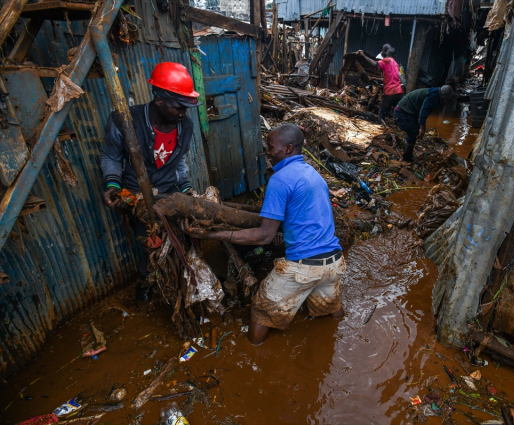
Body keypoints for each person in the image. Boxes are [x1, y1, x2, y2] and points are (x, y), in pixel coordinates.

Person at [180, 124, 346, 346]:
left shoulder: (280, 179)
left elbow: (264, 236)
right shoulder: (313, 174)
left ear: (287, 148)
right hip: (334, 263)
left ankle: (254, 357)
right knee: (332, 311)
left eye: (270, 146)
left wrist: (216, 234)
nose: (267, 152)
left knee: (260, 311)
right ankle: (340, 341)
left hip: (303, 268)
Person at [100, 62, 200, 301]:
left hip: (169, 193)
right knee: (149, 242)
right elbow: (111, 156)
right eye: (179, 107)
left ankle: (180, 283)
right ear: (159, 100)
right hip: (135, 195)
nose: (183, 113)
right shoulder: (125, 120)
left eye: (187, 108)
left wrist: (186, 187)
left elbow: (180, 162)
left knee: (181, 237)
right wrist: (113, 185)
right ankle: (147, 284)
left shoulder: (184, 125)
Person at [394, 85, 454, 162]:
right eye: (445, 99)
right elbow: (424, 110)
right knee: (414, 133)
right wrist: (421, 127)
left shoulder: (434, 92)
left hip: (406, 112)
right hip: (402, 112)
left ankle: (408, 153)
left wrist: (422, 126)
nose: (445, 101)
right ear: (443, 94)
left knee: (414, 131)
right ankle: (406, 158)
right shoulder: (434, 95)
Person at [357, 47, 404, 123]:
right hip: (398, 91)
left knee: (382, 112)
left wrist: (363, 55)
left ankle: (379, 128)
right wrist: (375, 78)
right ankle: (398, 127)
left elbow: (374, 64)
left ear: (386, 54)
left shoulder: (387, 60)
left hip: (390, 92)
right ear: (394, 56)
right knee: (397, 112)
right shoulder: (395, 64)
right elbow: (387, 79)